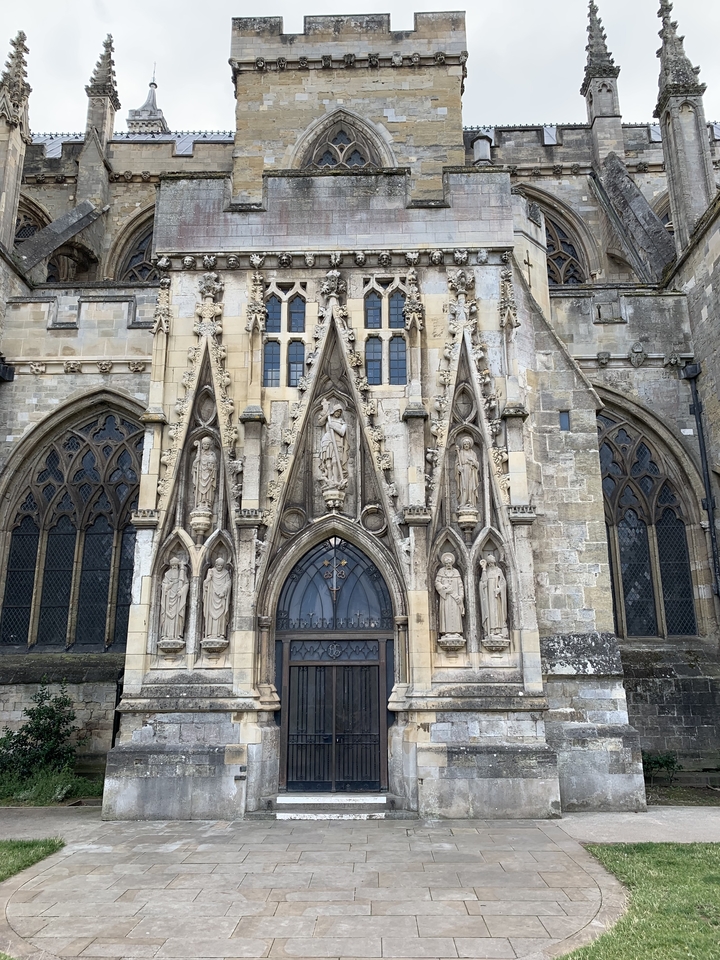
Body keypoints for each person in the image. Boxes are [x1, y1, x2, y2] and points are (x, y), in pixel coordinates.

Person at [318, 399, 348, 488]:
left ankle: (336, 480)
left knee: (335, 462)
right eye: (337, 411)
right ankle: (330, 480)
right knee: (328, 463)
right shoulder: (329, 419)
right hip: (327, 440)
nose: (338, 413)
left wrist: (333, 427)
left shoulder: (342, 422)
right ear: (333, 411)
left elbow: (342, 432)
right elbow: (320, 423)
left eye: (340, 411)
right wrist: (326, 415)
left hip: (338, 442)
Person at [434, 552, 465, 636]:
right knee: (446, 613)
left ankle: (456, 631)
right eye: (447, 563)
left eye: (450, 563)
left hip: (455, 598)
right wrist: (443, 587)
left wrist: (461, 597)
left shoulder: (456, 572)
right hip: (446, 598)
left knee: (455, 613)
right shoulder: (441, 571)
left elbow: (460, 585)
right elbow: (437, 583)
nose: (448, 565)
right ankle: (447, 632)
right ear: (444, 563)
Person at [159, 557, 189, 641]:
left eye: (176, 565)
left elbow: (186, 584)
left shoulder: (181, 574)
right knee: (168, 617)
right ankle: (166, 634)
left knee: (178, 615)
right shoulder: (167, 574)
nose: (174, 567)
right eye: (173, 565)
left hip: (178, 598)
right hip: (168, 599)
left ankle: (177, 634)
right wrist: (168, 586)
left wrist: (182, 591)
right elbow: (164, 585)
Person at [203, 557, 232, 640]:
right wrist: (209, 578)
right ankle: (209, 633)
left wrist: (223, 591)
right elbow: (205, 584)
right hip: (212, 597)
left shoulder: (226, 573)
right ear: (215, 565)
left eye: (221, 566)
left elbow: (228, 583)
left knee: (221, 615)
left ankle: (221, 634)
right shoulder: (211, 571)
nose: (219, 567)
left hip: (221, 597)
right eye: (218, 565)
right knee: (211, 615)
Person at [479, 556, 508, 638]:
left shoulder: (499, 571)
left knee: (497, 611)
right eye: (489, 563)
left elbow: (503, 583)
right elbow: (483, 582)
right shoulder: (486, 571)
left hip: (497, 596)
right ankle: (491, 629)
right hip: (489, 596)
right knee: (490, 611)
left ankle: (498, 630)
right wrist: (483, 568)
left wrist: (500, 589)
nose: (491, 564)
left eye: (492, 562)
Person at [192, 436, 218, 509]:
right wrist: (196, 462)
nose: (206, 446)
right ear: (202, 445)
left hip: (209, 475)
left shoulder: (212, 454)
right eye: (204, 444)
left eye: (207, 444)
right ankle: (199, 503)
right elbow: (194, 465)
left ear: (209, 445)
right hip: (200, 475)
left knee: (209, 489)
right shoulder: (199, 454)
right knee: (199, 489)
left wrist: (212, 469)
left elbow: (215, 466)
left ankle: (207, 503)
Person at [456, 436, 479, 508]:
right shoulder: (460, 453)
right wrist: (458, 468)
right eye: (465, 444)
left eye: (467, 444)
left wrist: (472, 460)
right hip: (463, 471)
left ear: (469, 445)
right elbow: (457, 463)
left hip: (471, 471)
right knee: (464, 487)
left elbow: (477, 465)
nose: (466, 445)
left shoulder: (473, 453)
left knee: (471, 487)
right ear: (463, 445)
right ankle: (463, 502)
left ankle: (471, 502)